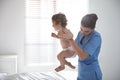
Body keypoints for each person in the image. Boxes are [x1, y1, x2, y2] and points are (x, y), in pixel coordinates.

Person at [61, 13, 102, 80]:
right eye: (81, 29)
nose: (83, 33)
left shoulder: (96, 37)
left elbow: (82, 56)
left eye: (86, 31)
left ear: (93, 29)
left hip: (92, 74)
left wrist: (71, 40)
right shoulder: (80, 33)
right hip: (81, 72)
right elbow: (73, 50)